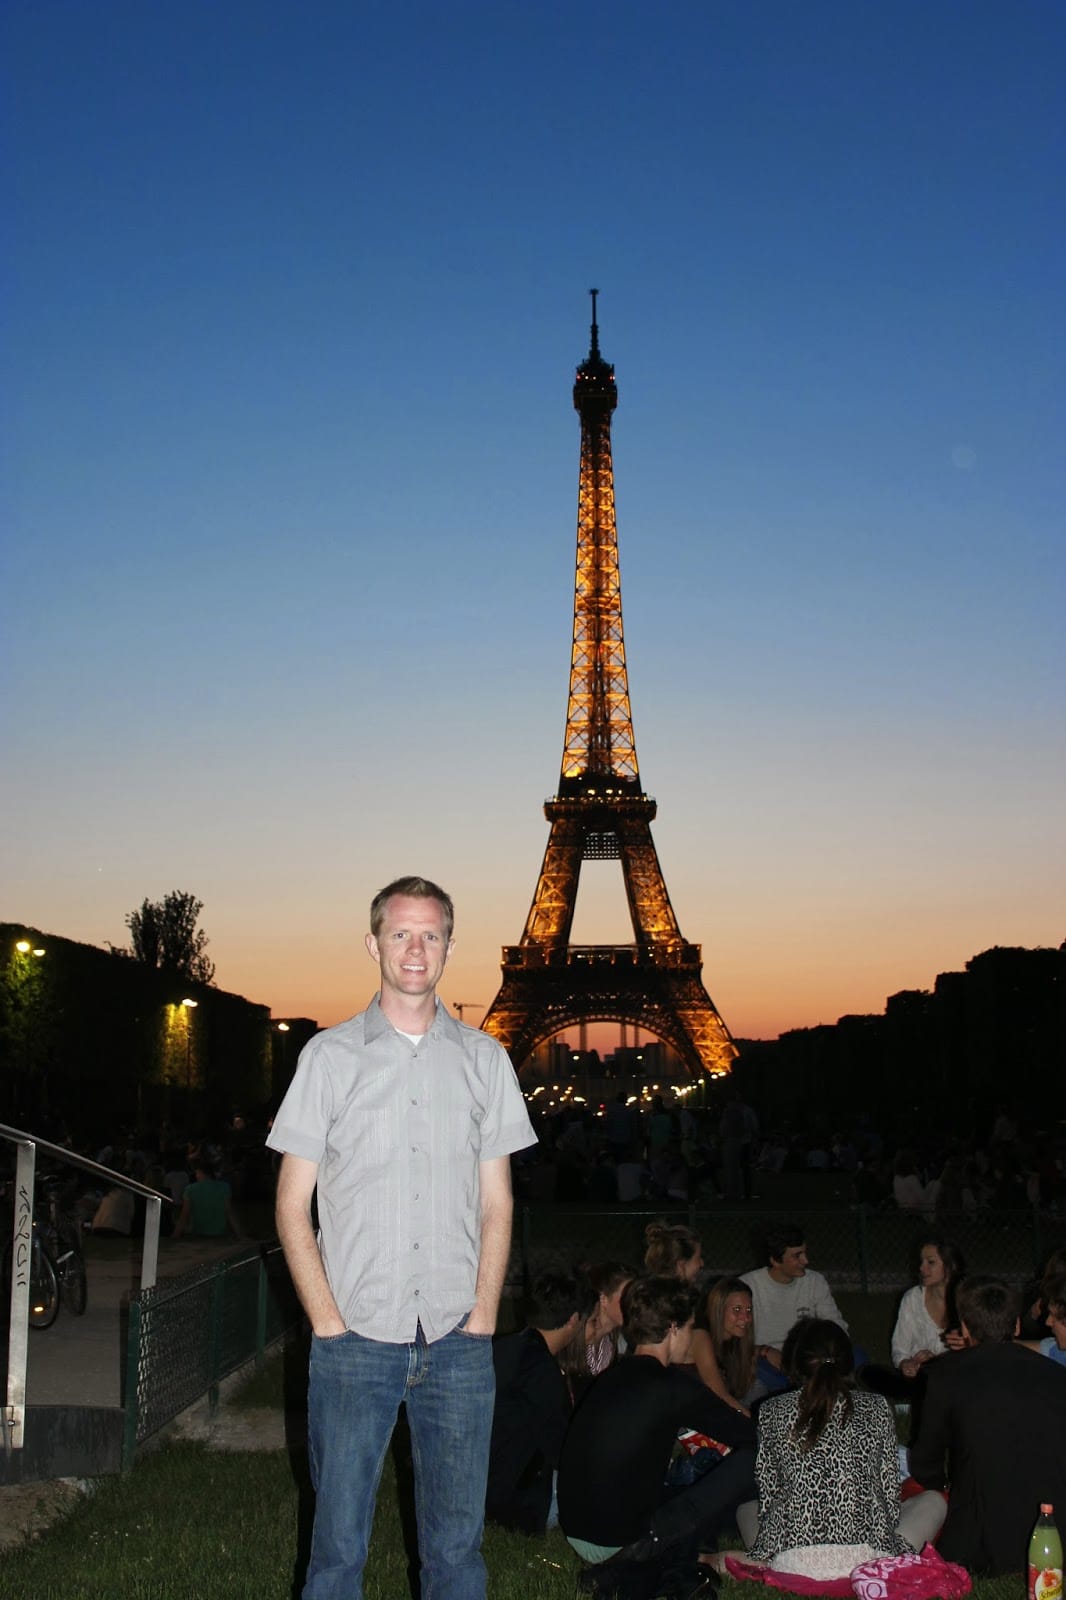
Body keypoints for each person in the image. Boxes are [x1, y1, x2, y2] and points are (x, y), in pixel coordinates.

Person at [267, 875, 536, 1600]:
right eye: (401, 933)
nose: (416, 948)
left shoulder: (485, 1061)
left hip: (456, 1338)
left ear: (449, 945)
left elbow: (497, 1204)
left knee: (457, 1554)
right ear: (374, 943)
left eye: (431, 934)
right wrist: (328, 1321)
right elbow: (292, 1205)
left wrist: (482, 1318)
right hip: (354, 1338)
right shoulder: (328, 1058)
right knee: (336, 1553)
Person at [558, 1276, 756, 1600]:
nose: (691, 1339)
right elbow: (748, 1435)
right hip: (618, 1540)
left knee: (681, 1486)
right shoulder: (671, 1386)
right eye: (690, 1328)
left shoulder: (612, 1376)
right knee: (751, 1458)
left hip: (577, 1526)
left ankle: (689, 1556)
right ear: (673, 1328)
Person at [733, 1320, 946, 1582]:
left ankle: (770, 1559)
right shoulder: (877, 1407)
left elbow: (769, 1493)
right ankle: (887, 1564)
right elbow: (889, 1492)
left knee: (746, 1508)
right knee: (933, 1501)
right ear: (848, 1363)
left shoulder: (772, 1411)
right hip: (870, 1558)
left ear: (796, 1363)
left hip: (792, 1560)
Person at [910, 1275, 1066, 1574]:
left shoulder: (944, 1375)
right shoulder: (1056, 1375)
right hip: (1052, 1530)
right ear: (1017, 1325)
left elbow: (926, 1459)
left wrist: (938, 1484)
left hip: (983, 1537)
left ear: (965, 1328)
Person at [485, 1269, 592, 1535]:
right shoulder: (540, 1372)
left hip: (481, 1483)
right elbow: (562, 1451)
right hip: (508, 1500)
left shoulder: (504, 1347)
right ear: (573, 1320)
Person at [741, 1222, 847, 1376]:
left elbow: (835, 1325)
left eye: (804, 1253)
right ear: (775, 1261)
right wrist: (764, 1351)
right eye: (797, 1256)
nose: (806, 1261)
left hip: (809, 1358)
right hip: (767, 1360)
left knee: (856, 1356)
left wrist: (823, 1351)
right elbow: (729, 1340)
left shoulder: (815, 1281)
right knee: (757, 1373)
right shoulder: (747, 1286)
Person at [560, 1261, 636, 1399]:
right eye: (627, 1297)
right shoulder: (575, 1342)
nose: (635, 1304)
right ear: (604, 1299)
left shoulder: (617, 1344)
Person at [690, 1277, 759, 1415]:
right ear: (718, 1309)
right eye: (737, 1309)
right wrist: (756, 1426)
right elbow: (720, 1396)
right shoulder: (700, 1336)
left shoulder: (734, 1344)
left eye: (749, 1310)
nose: (745, 1318)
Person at [171, 1154, 240, 1240]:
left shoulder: (190, 1189)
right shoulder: (225, 1187)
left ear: (200, 1173)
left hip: (199, 1233)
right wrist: (239, 1234)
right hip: (220, 1233)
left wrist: (176, 1234)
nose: (196, 1176)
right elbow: (229, 1211)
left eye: (196, 1173)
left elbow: (184, 1214)